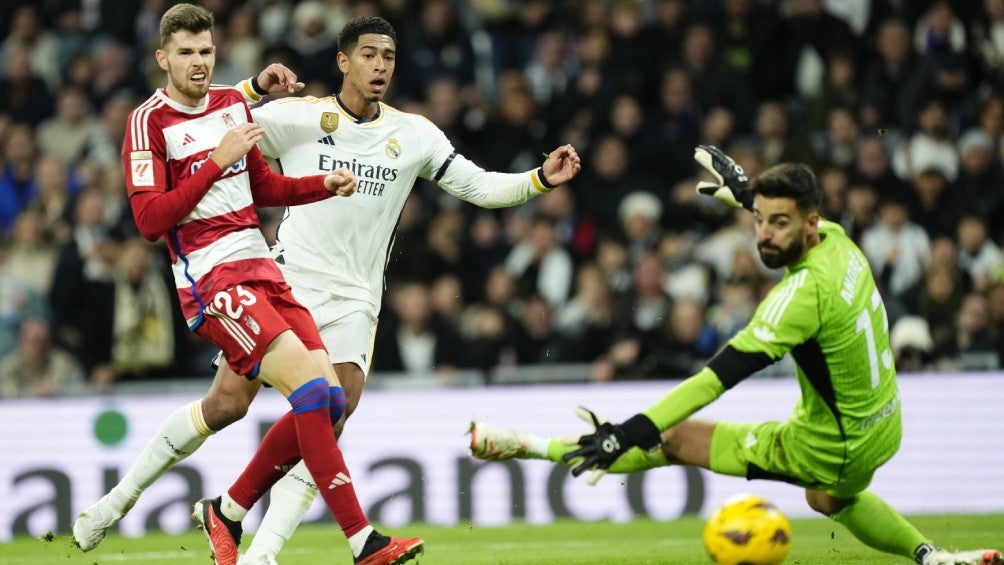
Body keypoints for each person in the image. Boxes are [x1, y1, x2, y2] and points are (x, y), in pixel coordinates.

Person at [72, 13, 581, 565]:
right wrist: (256, 91)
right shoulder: (299, 117)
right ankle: (120, 503)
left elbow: (478, 186)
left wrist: (537, 180)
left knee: (330, 414)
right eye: (368, 55)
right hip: (284, 272)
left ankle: (261, 548)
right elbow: (220, 128)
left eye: (388, 56)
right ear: (343, 61)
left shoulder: (414, 134)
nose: (379, 66)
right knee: (227, 405)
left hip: (358, 298)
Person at [469, 145, 1002, 565]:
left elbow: (712, 381)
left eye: (779, 224)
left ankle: (529, 444)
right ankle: (931, 557)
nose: (763, 237)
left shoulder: (800, 297)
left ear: (809, 223)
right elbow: (785, 219)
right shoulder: (840, 243)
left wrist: (628, 430)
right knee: (827, 500)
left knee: (675, 437)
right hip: (884, 424)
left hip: (831, 445)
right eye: (759, 222)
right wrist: (747, 193)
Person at [72, 5, 422, 565]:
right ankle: (363, 542)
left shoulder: (233, 104)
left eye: (206, 51)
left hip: (264, 269)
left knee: (328, 401)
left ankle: (218, 510)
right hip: (213, 281)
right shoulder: (147, 122)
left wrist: (320, 185)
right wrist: (214, 162)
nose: (198, 63)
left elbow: (263, 185)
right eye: (185, 53)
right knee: (310, 394)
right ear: (163, 58)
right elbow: (149, 222)